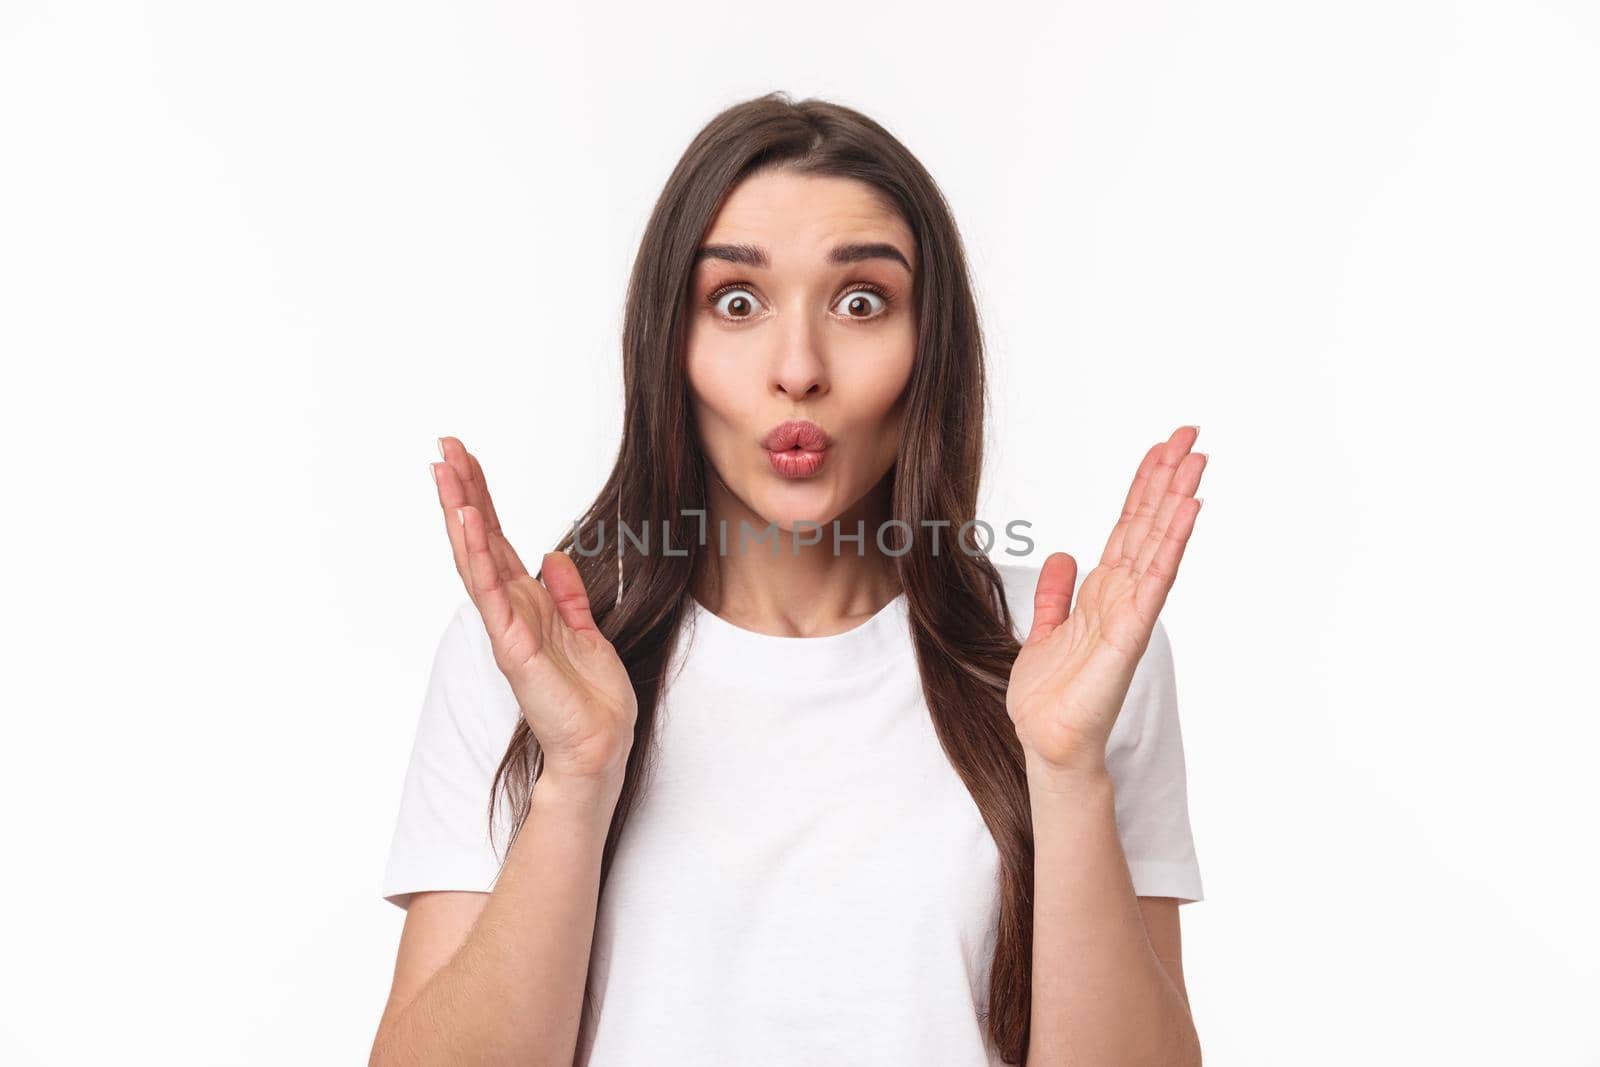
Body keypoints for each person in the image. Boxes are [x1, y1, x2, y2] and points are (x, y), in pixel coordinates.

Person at [370, 91, 1208, 1067]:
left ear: (928, 348)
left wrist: (1065, 773)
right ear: (667, 346)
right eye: (736, 301)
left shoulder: (1068, 652)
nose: (799, 367)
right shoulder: (532, 655)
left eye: (861, 302)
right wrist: (577, 777)